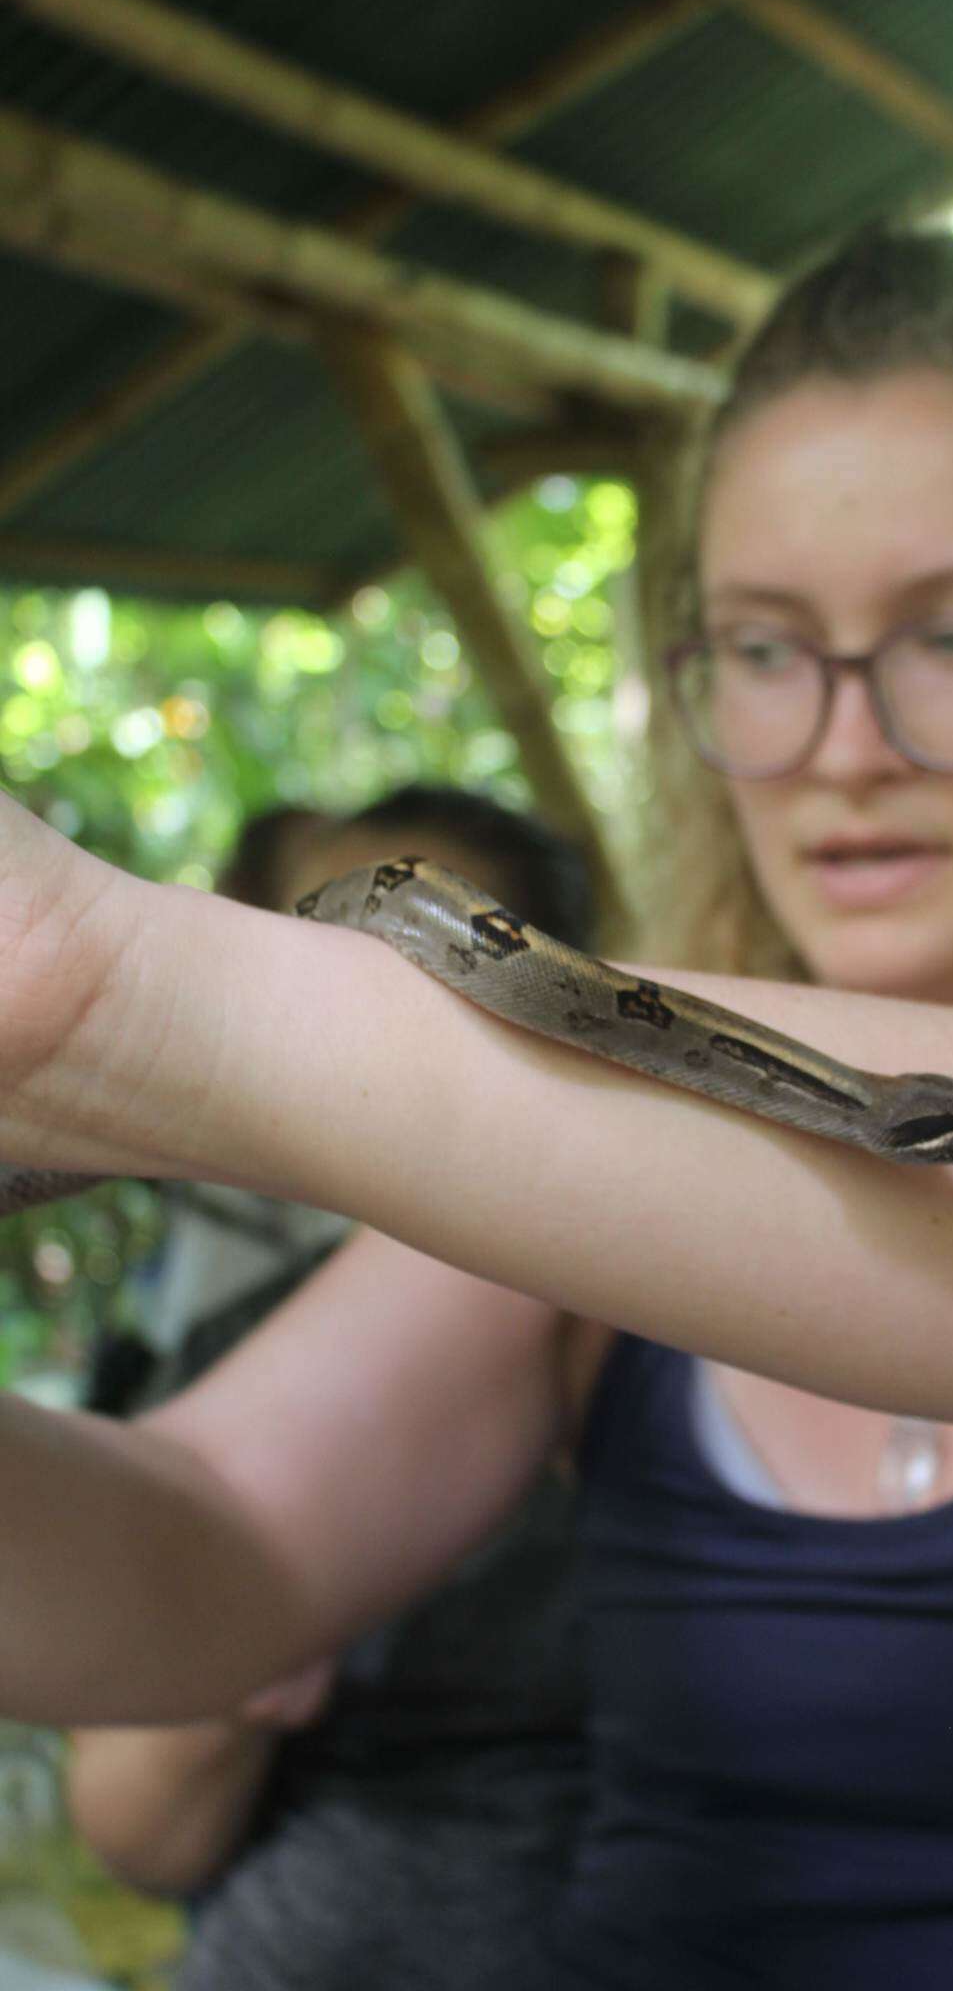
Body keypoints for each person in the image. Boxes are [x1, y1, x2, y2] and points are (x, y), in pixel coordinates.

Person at [2, 227, 953, 1987]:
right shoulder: (560, 1150)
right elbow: (213, 1548)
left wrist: (103, 989)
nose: (843, 741)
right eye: (765, 649)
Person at [66, 787, 594, 1991]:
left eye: (451, 942)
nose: (381, 991)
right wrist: (234, 1669)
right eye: (329, 950)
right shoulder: (240, 1345)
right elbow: (139, 1831)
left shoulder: (662, 1305)